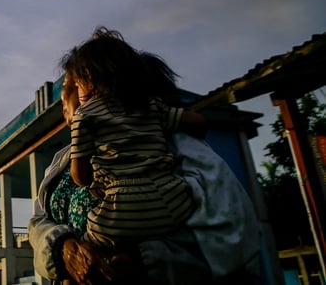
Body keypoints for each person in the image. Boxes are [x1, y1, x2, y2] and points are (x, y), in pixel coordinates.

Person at [28, 34, 261, 285]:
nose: (64, 98)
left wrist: (145, 261)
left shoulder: (176, 147)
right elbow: (38, 223)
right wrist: (63, 249)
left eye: (72, 85)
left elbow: (232, 238)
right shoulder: (62, 160)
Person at [64, 27, 207, 249]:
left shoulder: (85, 116)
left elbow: (80, 176)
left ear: (88, 77)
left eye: (75, 83)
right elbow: (198, 122)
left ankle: (122, 257)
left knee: (86, 249)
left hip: (121, 209)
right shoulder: (150, 105)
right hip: (173, 203)